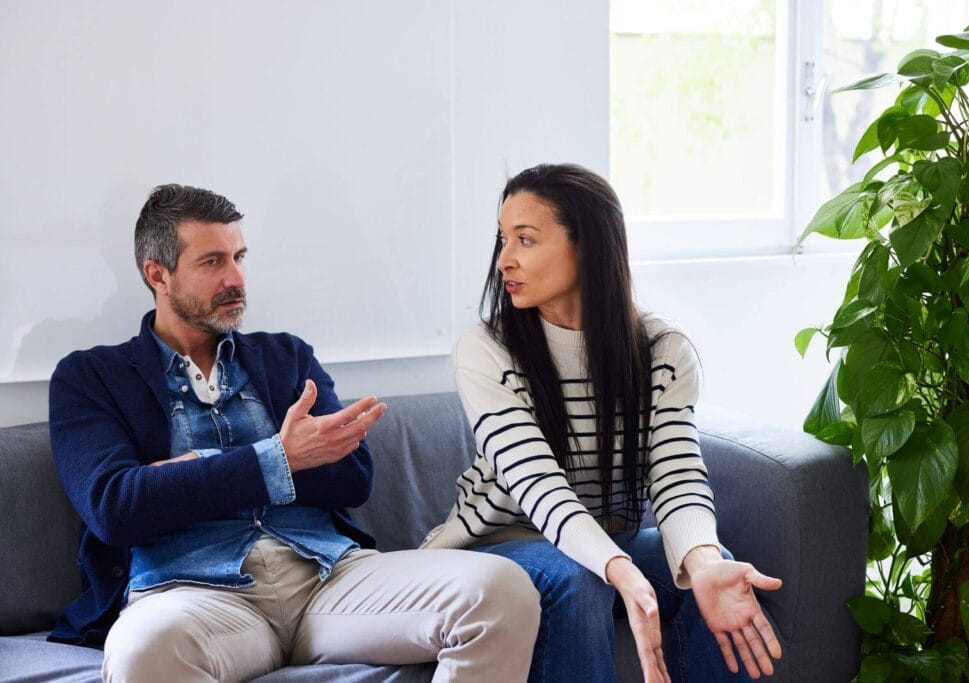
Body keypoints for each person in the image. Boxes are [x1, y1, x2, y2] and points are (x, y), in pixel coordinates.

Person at [47, 184, 541, 683]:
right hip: (195, 595)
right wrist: (280, 458)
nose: (235, 277)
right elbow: (115, 507)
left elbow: (352, 476)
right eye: (212, 262)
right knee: (141, 651)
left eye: (239, 256)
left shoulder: (286, 357)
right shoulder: (91, 377)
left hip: (327, 576)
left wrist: (190, 472)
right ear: (159, 275)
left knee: (502, 589)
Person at [421, 164, 783, 682]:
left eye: (525, 239)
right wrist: (620, 571)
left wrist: (702, 564)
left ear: (586, 246)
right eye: (503, 240)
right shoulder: (486, 350)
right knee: (580, 576)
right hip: (492, 553)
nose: (504, 260)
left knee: (712, 567)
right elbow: (537, 486)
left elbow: (678, 477)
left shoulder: (662, 350)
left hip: (603, 545)